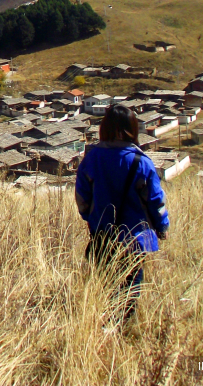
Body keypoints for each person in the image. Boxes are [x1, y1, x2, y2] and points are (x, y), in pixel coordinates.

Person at [75, 103, 170, 328]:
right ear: (132, 129)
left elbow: (82, 198)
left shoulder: (92, 158)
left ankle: (107, 326)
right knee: (130, 287)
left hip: (102, 235)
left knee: (107, 283)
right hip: (135, 239)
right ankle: (122, 327)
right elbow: (156, 202)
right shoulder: (142, 162)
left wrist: (91, 217)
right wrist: (162, 226)